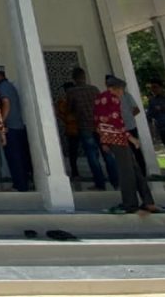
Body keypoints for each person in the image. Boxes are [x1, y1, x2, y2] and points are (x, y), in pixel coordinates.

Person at [96, 76, 158, 214]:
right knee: (127, 172)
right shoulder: (111, 99)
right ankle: (131, 204)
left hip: (113, 138)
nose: (121, 94)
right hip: (117, 138)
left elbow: (99, 122)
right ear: (114, 89)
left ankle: (148, 201)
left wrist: (104, 140)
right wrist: (130, 138)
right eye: (120, 90)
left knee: (134, 169)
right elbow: (115, 122)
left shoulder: (101, 99)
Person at [65, 67, 117, 190]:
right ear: (84, 77)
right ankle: (116, 181)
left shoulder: (72, 92)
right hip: (100, 125)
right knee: (107, 154)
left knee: (92, 156)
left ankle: (100, 183)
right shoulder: (94, 89)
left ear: (74, 78)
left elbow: (69, 109)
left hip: (85, 126)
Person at [0, 67, 31, 191]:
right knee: (20, 157)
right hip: (19, 126)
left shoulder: (3, 87)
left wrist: (1, 121)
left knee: (14, 157)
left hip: (11, 127)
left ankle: (20, 185)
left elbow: (6, 103)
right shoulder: (10, 86)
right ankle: (22, 183)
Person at [117, 78, 147, 177]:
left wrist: (129, 116)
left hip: (130, 126)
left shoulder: (127, 96)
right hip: (120, 128)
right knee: (125, 152)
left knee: (136, 150)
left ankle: (143, 172)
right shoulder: (113, 98)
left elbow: (136, 109)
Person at [54, 82, 81, 178]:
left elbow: (61, 114)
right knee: (74, 152)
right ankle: (75, 171)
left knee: (73, 152)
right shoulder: (66, 101)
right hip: (78, 129)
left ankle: (75, 172)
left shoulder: (64, 101)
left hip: (73, 129)